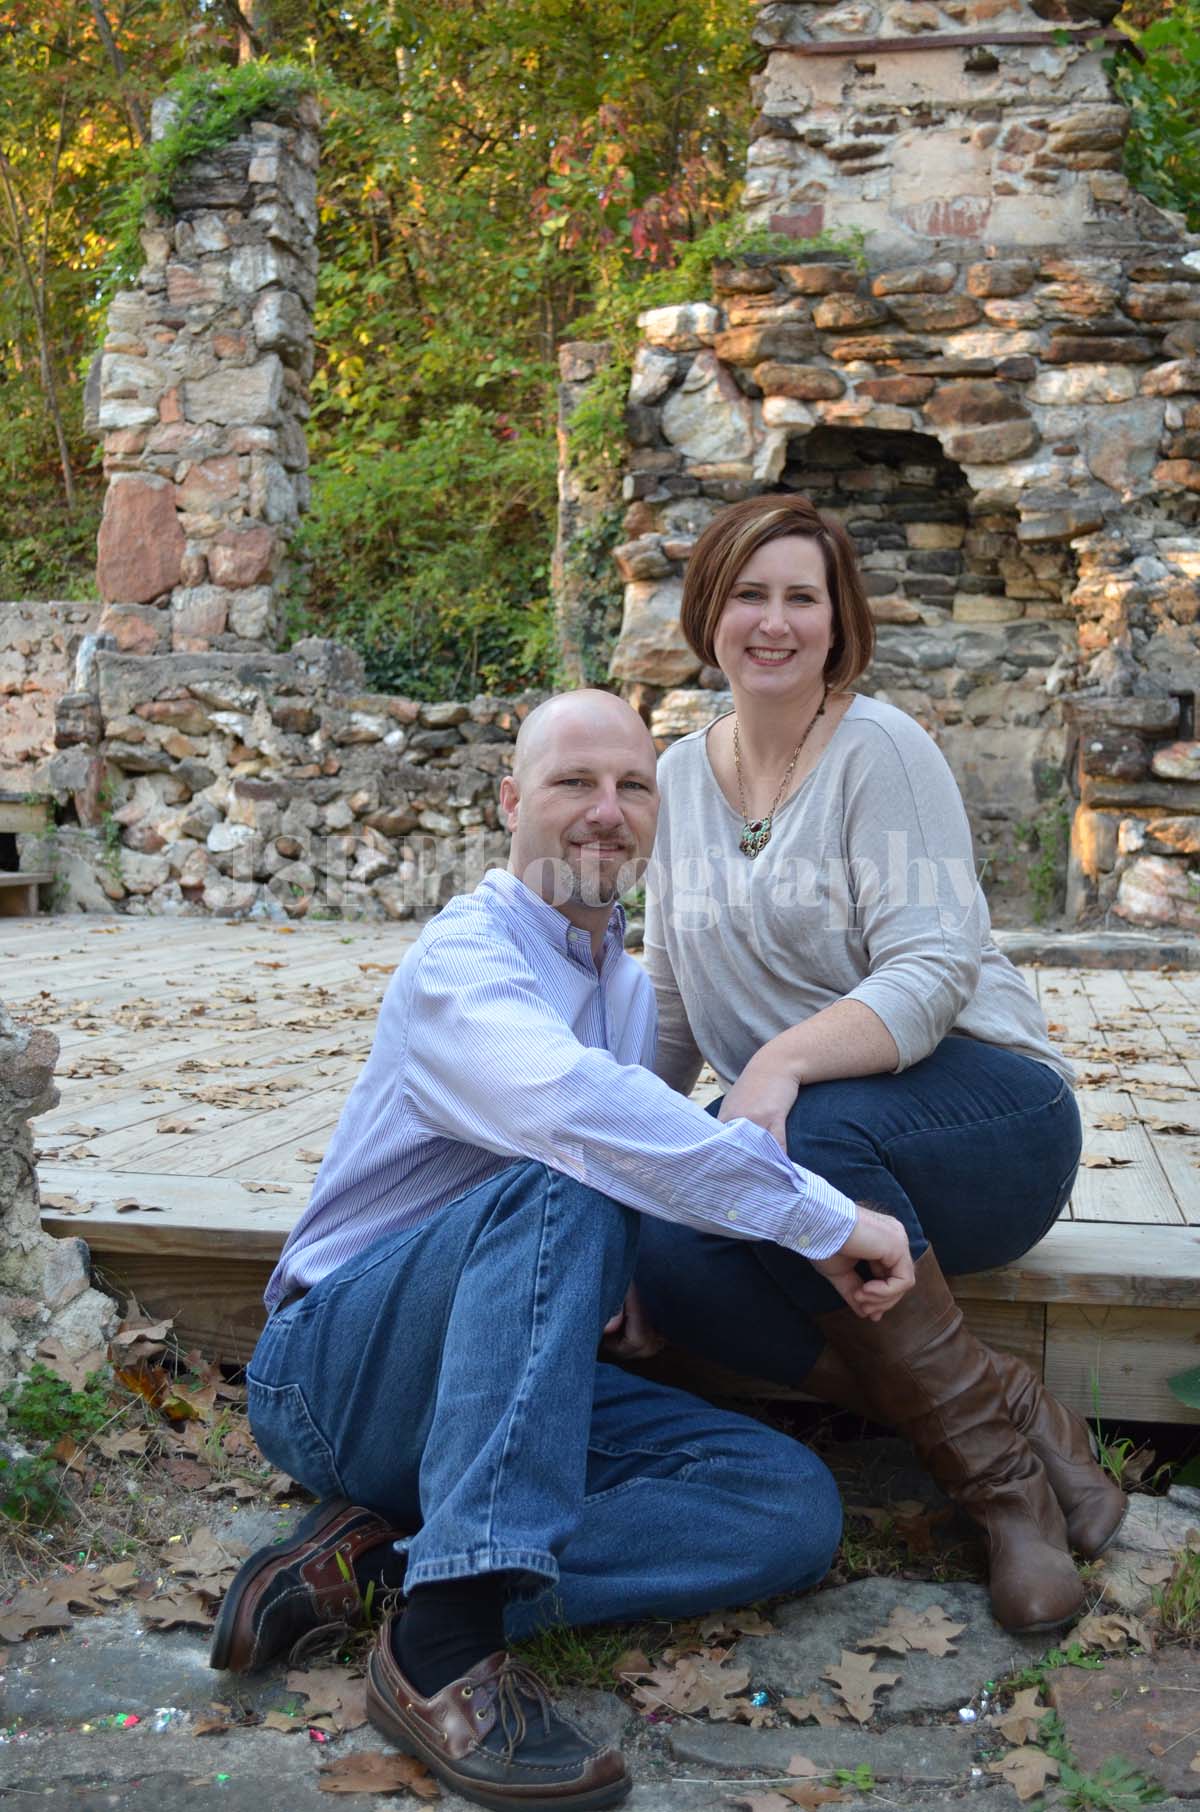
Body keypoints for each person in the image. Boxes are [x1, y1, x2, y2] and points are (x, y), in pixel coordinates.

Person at [210, 688, 914, 1812]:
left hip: (494, 1387)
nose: (606, 810)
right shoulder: (464, 956)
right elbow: (577, 1120)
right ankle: (441, 1644)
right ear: (510, 803)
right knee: (569, 1167)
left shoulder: (623, 989)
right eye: (573, 783)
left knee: (785, 1504)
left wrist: (614, 1270)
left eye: (633, 786)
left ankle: (377, 1571)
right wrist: (825, 1220)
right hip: (339, 1372)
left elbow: (638, 1152)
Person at [635, 493, 1125, 1641]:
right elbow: (668, 1005)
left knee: (806, 1132)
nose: (774, 622)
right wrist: (618, 1160)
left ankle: (1003, 1499)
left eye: (800, 598)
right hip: (810, 1146)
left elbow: (935, 968)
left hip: (984, 1122)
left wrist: (779, 1065)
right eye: (749, 595)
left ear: (837, 621)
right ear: (708, 613)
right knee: (663, 1247)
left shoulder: (882, 751)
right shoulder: (675, 780)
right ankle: (1006, 1408)